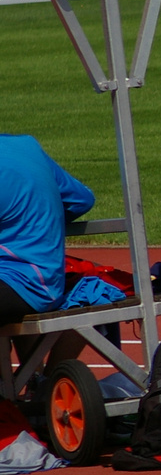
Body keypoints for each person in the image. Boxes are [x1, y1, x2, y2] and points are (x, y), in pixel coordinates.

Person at [0, 135, 96, 330]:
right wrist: (41, 223)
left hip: (20, 283)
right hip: (43, 281)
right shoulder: (25, 144)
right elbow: (81, 199)